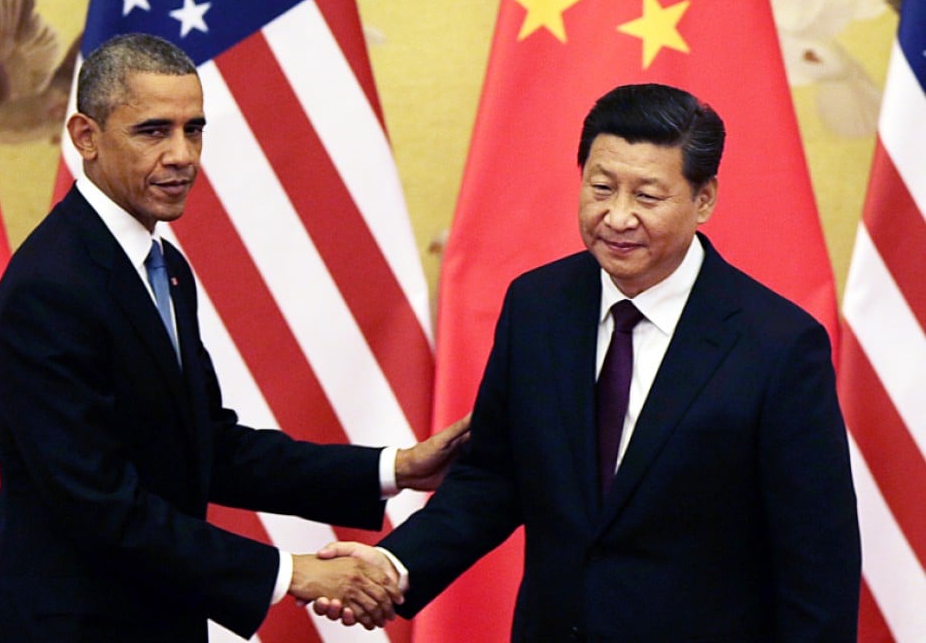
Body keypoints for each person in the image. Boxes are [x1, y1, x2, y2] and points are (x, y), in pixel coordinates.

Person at [0, 32, 469, 643]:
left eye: (194, 129)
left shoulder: (162, 268)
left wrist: (398, 467)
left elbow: (211, 449)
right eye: (153, 131)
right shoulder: (50, 287)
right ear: (85, 137)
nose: (182, 154)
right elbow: (97, 502)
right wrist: (291, 574)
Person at [317, 83, 861, 641]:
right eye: (601, 188)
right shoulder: (537, 305)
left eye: (647, 196)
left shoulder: (778, 344)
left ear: (704, 200)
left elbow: (818, 560)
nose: (617, 217)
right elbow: (493, 477)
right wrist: (393, 565)